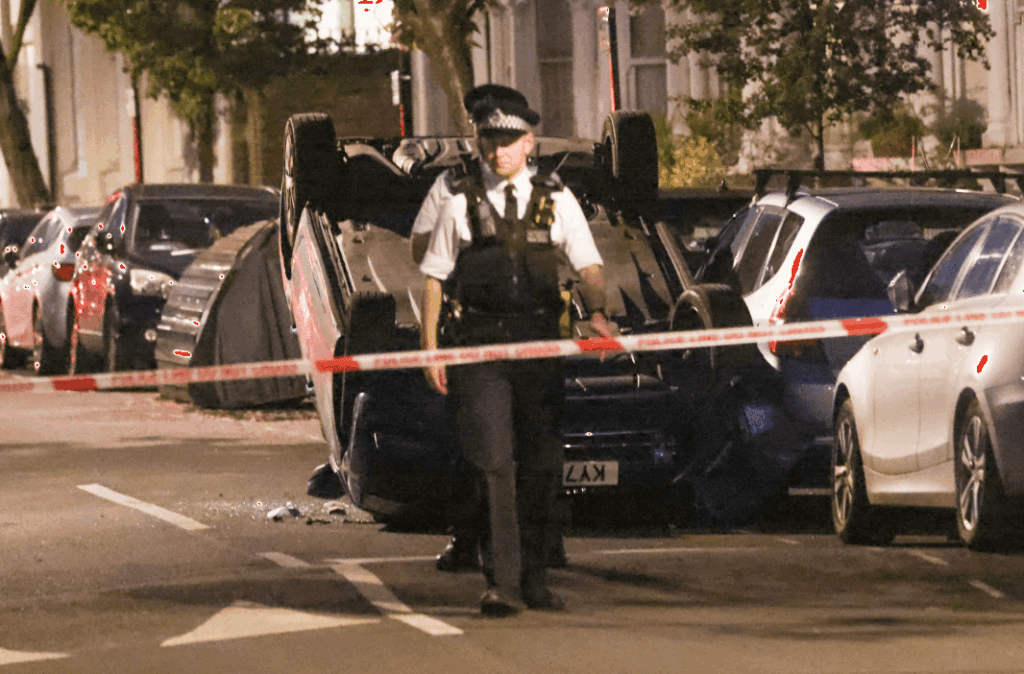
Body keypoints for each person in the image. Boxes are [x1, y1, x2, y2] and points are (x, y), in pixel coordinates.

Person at [419, 84, 611, 616]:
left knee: (542, 464)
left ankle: (535, 579)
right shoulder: (459, 199)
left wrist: (596, 313)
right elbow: (433, 278)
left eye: (509, 140)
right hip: (480, 347)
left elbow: (587, 263)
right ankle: (500, 583)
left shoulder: (555, 198)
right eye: (490, 140)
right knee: (495, 465)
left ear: (530, 144)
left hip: (538, 344)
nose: (498, 150)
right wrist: (431, 349)